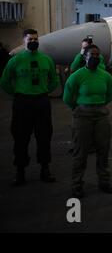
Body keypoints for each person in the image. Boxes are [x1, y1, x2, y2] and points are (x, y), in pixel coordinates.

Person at [0, 29, 59, 186]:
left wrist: (44, 91)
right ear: (24, 41)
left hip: (41, 102)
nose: (33, 41)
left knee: (44, 136)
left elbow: (54, 79)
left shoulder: (46, 60)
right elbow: (4, 81)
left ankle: (45, 169)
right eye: (30, 39)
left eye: (35, 39)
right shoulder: (15, 60)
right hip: (22, 103)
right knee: (20, 137)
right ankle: (20, 171)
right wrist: (18, 94)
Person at [63, 44, 112, 198]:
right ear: (84, 57)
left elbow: (109, 95)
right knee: (81, 153)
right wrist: (79, 109)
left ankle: (104, 182)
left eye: (97, 54)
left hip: (101, 115)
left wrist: (98, 106)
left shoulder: (105, 75)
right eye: (92, 54)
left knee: (103, 150)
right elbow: (67, 97)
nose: (95, 57)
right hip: (82, 116)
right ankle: (77, 184)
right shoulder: (77, 75)